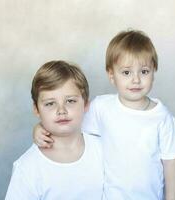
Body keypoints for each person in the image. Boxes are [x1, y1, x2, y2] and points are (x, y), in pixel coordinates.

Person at [34, 30, 175, 200]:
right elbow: (69, 122)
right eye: (126, 72)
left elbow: (171, 165)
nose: (136, 80)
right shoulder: (102, 107)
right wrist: (40, 127)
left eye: (144, 71)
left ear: (154, 71)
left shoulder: (162, 117)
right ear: (111, 75)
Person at [5, 61, 104, 200]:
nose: (61, 111)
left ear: (86, 104)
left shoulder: (103, 150)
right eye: (50, 104)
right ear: (37, 110)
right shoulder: (28, 168)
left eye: (70, 101)